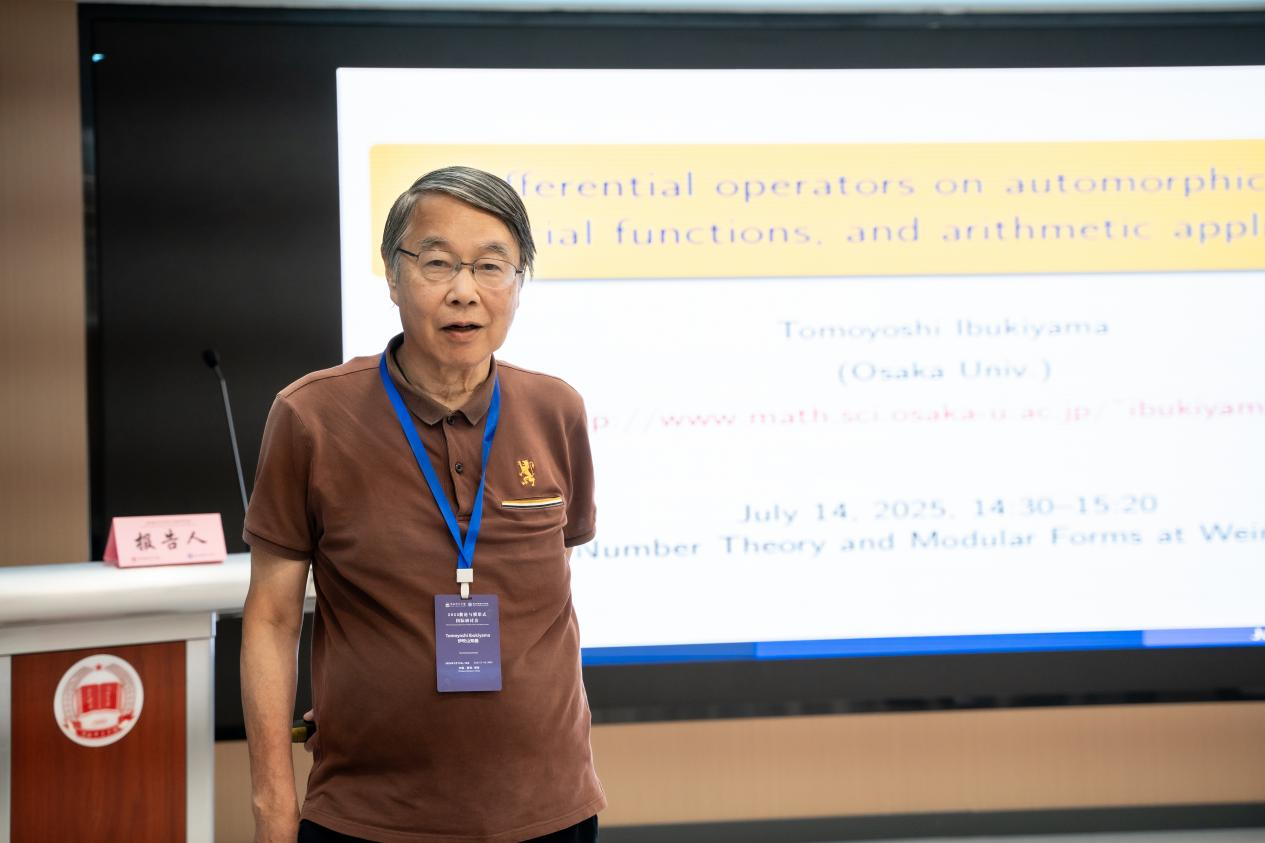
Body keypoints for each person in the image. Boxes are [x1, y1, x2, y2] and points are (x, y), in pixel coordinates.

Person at [240, 166, 605, 843]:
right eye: (438, 263)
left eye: (491, 266)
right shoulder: (311, 415)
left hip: (549, 808)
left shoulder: (556, 409)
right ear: (392, 274)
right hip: (368, 816)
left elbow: (548, 595)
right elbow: (270, 618)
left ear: (518, 281)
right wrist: (272, 806)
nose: (464, 291)